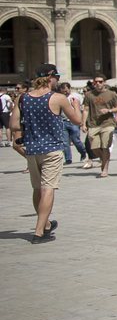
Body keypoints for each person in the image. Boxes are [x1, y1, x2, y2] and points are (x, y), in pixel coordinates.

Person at [11, 65, 82, 241]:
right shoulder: (58, 98)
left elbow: (13, 125)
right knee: (48, 189)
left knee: (37, 189)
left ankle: (46, 223)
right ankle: (39, 231)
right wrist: (76, 106)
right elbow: (77, 120)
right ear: (51, 78)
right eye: (56, 76)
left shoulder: (23, 98)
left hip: (32, 150)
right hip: (52, 149)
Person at [83, 73, 117, 178]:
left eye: (100, 82)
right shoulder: (89, 95)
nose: (98, 84)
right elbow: (86, 110)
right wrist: (83, 124)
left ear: (104, 82)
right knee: (94, 148)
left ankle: (105, 169)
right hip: (93, 124)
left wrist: (109, 110)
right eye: (96, 82)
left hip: (107, 123)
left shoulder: (111, 94)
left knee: (105, 147)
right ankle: (103, 159)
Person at [56, 82, 88, 165]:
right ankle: (68, 159)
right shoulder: (60, 98)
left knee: (76, 140)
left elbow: (82, 107)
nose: (65, 93)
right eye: (63, 91)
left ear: (69, 89)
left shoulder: (76, 96)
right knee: (65, 142)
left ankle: (83, 152)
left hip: (73, 121)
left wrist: (81, 121)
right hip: (63, 121)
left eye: (66, 91)